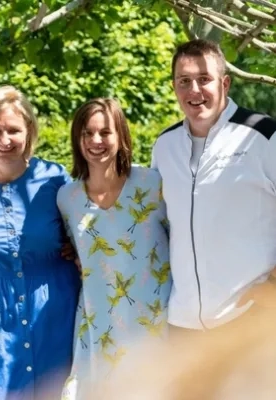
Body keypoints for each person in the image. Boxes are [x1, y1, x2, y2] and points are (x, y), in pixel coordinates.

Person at [0, 86, 81, 399]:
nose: (4, 140)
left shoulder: (54, 178)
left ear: (29, 130)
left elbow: (85, 231)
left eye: (13, 130)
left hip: (55, 310)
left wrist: (76, 247)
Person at [151, 39, 276, 336]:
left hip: (249, 319)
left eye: (204, 79)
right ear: (174, 87)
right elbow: (153, 221)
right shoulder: (164, 145)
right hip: (183, 324)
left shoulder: (263, 135)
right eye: (184, 81)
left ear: (225, 83)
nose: (194, 90)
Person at [57, 98, 171, 399]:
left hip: (153, 323)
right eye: (87, 133)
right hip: (98, 323)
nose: (96, 140)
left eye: (105, 132)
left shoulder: (153, 184)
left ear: (121, 136)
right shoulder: (67, 198)